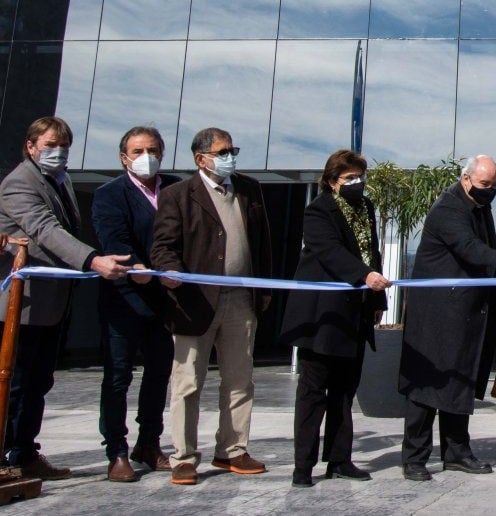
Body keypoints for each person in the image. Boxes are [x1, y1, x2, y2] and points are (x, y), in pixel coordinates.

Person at [0, 116, 131, 480]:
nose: (58, 153)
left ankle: (24, 452)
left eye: (63, 147)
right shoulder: (18, 184)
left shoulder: (60, 180)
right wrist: (92, 260)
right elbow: (45, 230)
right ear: (30, 146)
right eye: (50, 145)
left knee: (39, 383)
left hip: (52, 303)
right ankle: (7, 458)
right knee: (15, 384)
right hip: (20, 306)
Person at [151, 127, 274, 486]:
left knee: (239, 379)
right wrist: (170, 272)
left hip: (241, 301)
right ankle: (184, 457)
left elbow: (262, 241)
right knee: (188, 382)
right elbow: (162, 247)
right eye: (222, 152)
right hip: (195, 303)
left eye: (232, 150)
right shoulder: (177, 195)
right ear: (200, 158)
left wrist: (262, 292)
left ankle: (232, 450)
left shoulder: (250, 189)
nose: (229, 157)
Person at [397, 155, 496, 482]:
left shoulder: (480, 207)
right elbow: (468, 247)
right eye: (485, 185)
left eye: (495, 186)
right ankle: (414, 457)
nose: (490, 191)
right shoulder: (448, 209)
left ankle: (456, 452)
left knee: (460, 381)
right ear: (466, 179)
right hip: (437, 315)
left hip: (465, 313)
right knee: (427, 386)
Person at [279, 150, 389, 488]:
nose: (357, 184)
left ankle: (339, 459)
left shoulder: (366, 209)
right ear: (331, 182)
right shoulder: (318, 211)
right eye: (349, 179)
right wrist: (364, 276)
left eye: (360, 177)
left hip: (354, 313)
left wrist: (377, 296)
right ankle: (303, 466)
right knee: (314, 392)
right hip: (322, 316)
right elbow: (329, 252)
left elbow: (372, 252)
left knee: (344, 391)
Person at [91, 126, 182, 481]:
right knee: (118, 378)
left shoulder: (176, 187)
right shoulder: (109, 195)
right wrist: (136, 267)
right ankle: (116, 452)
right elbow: (113, 238)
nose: (147, 156)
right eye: (139, 150)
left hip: (164, 300)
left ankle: (149, 443)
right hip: (124, 300)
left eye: (154, 149)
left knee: (159, 375)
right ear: (123, 156)